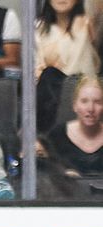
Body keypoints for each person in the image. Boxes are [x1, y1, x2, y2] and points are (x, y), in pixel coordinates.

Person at [34, 0, 100, 131]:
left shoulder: (88, 22)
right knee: (49, 74)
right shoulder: (39, 27)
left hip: (86, 87)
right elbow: (37, 68)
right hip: (52, 91)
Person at [38, 75, 103, 191]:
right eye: (84, 101)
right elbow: (45, 175)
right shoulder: (56, 136)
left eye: (97, 102)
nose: (90, 108)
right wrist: (63, 176)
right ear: (75, 105)